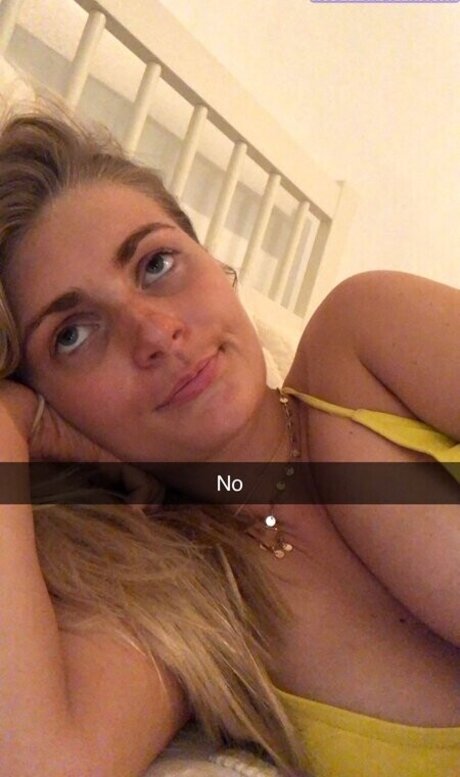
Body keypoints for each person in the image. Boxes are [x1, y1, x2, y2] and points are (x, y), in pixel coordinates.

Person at [0, 105, 458, 777]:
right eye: (71, 334)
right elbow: (40, 762)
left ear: (216, 263)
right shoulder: (175, 598)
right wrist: (8, 422)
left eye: (157, 263)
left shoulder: (364, 340)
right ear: (50, 403)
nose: (154, 333)